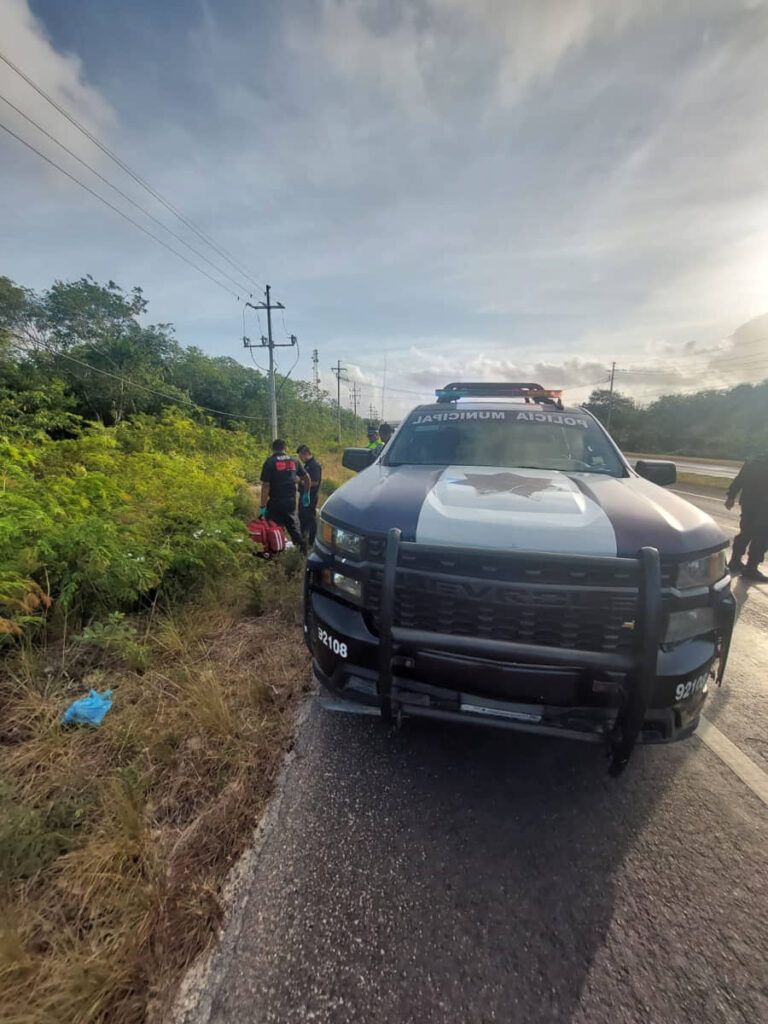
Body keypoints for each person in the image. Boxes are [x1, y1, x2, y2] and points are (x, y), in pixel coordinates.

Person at [259, 439, 310, 553]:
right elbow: (307, 477)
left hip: (275, 501)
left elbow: (266, 485)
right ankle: (303, 553)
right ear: (285, 448)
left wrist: (262, 506)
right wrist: (306, 493)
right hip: (290, 501)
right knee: (293, 527)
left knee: (274, 527)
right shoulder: (294, 461)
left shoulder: (270, 462)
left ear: (273, 449)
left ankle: (276, 554)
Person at [725, 451, 768, 582]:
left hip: (749, 502)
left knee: (746, 532)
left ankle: (735, 561)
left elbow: (740, 478)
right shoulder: (754, 460)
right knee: (762, 536)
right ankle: (751, 568)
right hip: (764, 505)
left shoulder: (753, 459)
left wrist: (731, 496)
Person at [297, 444, 322, 546]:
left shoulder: (314, 465)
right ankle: (303, 538)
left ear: (306, 454)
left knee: (310, 518)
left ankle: (312, 541)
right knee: (303, 518)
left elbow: (315, 482)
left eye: (300, 457)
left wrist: (301, 481)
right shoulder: (307, 464)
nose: (300, 459)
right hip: (305, 495)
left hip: (310, 496)